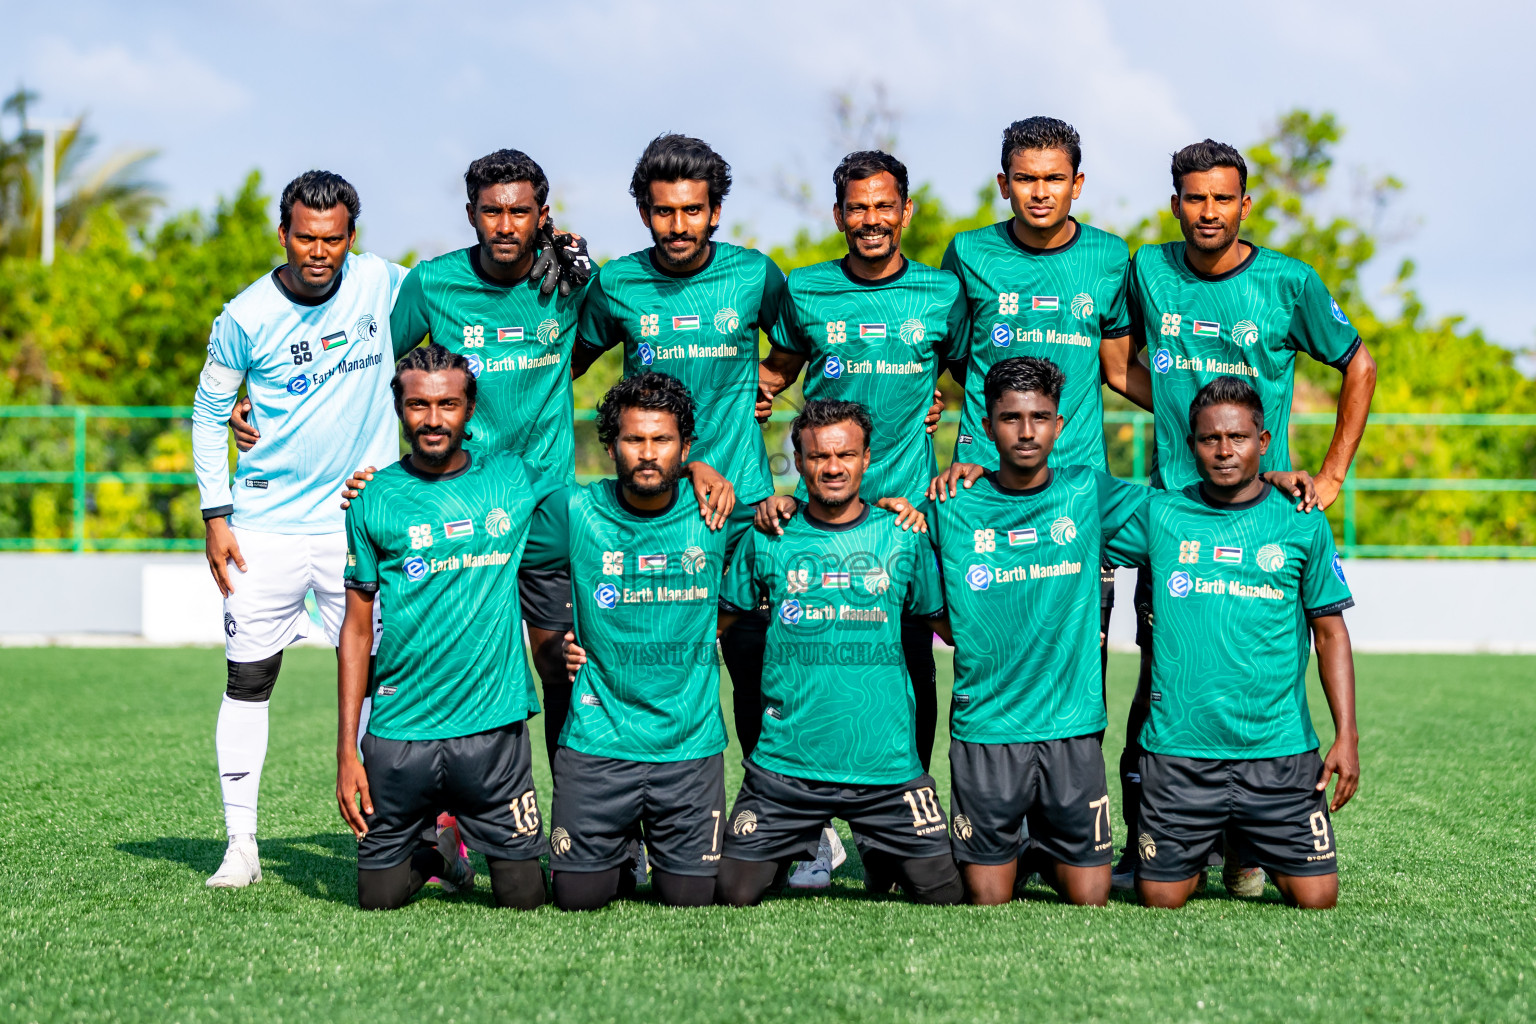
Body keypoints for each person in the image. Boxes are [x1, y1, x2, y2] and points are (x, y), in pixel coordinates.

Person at [927, 357, 1316, 906]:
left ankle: (1040, 848)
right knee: (987, 900)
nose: (1026, 430)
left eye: (1040, 416)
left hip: (1073, 729)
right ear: (985, 426)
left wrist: (1268, 480)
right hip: (986, 728)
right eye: (1010, 418)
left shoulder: (1089, 492)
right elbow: (926, 602)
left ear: (1060, 426)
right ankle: (1017, 849)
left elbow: (1197, 507)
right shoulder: (949, 502)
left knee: (1092, 897)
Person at [1115, 138, 1377, 891]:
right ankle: (1154, 844)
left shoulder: (1289, 282)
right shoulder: (1149, 270)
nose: (1208, 211)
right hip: (1174, 517)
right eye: (1194, 197)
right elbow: (1116, 362)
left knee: (1262, 673)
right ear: (1176, 204)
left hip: (1266, 514)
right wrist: (1179, 419)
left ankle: (1251, 845)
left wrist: (1331, 473)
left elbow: (1358, 361)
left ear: (1245, 204)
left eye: (1222, 198)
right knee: (1163, 684)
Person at [753, 149, 961, 886]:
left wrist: (957, 460)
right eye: (856, 208)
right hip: (816, 516)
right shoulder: (805, 290)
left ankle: (899, 823)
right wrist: (763, 457)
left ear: (905, 211)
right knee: (786, 656)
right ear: (838, 215)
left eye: (884, 206)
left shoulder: (943, 293)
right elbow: (768, 379)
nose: (870, 220)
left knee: (912, 667)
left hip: (903, 520)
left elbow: (982, 386)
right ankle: (802, 830)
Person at [191, 171, 405, 888]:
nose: (320, 252)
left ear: (352, 237)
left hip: (359, 525)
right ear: (282, 234)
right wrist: (216, 515)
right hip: (266, 526)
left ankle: (393, 835)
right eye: (306, 238)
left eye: (334, 239)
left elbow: (468, 289)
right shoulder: (245, 315)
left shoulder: (384, 283)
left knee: (387, 677)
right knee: (250, 678)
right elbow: (208, 413)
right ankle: (241, 846)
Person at [571, 134, 785, 782]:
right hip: (653, 513)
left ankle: (778, 813)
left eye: (693, 210)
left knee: (756, 672)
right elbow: (566, 362)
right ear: (644, 213)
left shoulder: (755, 275)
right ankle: (628, 814)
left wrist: (768, 381)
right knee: (645, 665)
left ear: (715, 210)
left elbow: (804, 342)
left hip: (740, 504)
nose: (679, 225)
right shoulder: (618, 283)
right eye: (665, 211)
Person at [1104, 376, 1359, 909]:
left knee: (1317, 899)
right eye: (1209, 439)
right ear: (1190, 443)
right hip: (1180, 756)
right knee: (1161, 899)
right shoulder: (1160, 514)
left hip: (1279, 755)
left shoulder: (1301, 519)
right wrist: (980, 471)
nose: (1224, 451)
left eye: (1238, 438)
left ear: (1263, 442)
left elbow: (1331, 631)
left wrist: (1347, 736)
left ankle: (1245, 846)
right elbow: (1060, 489)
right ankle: (1201, 852)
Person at [713, 400, 963, 908]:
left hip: (887, 769)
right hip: (787, 768)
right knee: (733, 891)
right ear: (800, 461)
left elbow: (950, 626)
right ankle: (808, 841)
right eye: (818, 456)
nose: (832, 467)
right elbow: (712, 624)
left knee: (945, 894)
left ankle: (880, 852)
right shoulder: (769, 535)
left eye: (845, 455)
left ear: (866, 458)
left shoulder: (903, 536)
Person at [335, 343, 556, 911]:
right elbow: (356, 633)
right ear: (399, 408)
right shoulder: (372, 498)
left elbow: (623, 490)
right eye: (418, 406)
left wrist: (701, 467)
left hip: (492, 729)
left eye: (448, 404)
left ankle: (467, 832)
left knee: (524, 897)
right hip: (400, 730)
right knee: (378, 899)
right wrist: (346, 751)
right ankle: (437, 855)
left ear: (470, 407)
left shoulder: (511, 479)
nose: (433, 420)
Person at [940, 116, 1153, 697]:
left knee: (1081, 669)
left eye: (1054, 179)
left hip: (1076, 489)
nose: (1040, 192)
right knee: (989, 662)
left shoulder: (1110, 257)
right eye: (1025, 179)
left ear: (1077, 184)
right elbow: (956, 356)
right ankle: (991, 783)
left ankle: (1076, 785)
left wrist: (1205, 411)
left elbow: (1116, 369)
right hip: (983, 487)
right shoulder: (968, 253)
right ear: (1004, 184)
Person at [536, 373, 747, 910]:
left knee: (691, 899)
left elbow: (795, 526)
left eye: (662, 440)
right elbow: (501, 557)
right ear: (610, 446)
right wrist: (555, 638)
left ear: (686, 447)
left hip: (689, 744)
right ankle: (625, 842)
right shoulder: (572, 511)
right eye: (634, 440)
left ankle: (651, 837)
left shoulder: (718, 513)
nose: (648, 453)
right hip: (598, 744)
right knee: (578, 898)